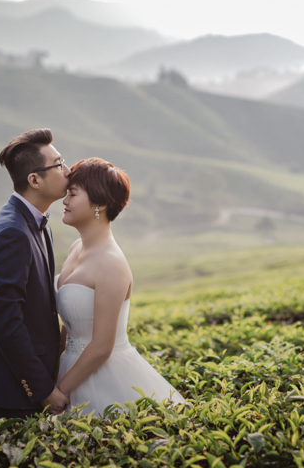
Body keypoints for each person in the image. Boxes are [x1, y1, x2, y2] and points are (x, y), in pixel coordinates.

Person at [54, 157, 184, 415]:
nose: (65, 201)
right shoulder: (75, 248)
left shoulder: (111, 263)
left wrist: (60, 390)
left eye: (73, 194)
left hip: (102, 376)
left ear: (99, 204)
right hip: (67, 367)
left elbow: (102, 346)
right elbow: (70, 325)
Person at [0, 129, 72, 422]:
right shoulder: (12, 233)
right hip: (10, 393)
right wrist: (40, 389)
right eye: (59, 163)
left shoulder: (38, 224)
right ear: (34, 179)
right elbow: (6, 321)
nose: (68, 170)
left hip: (29, 384)